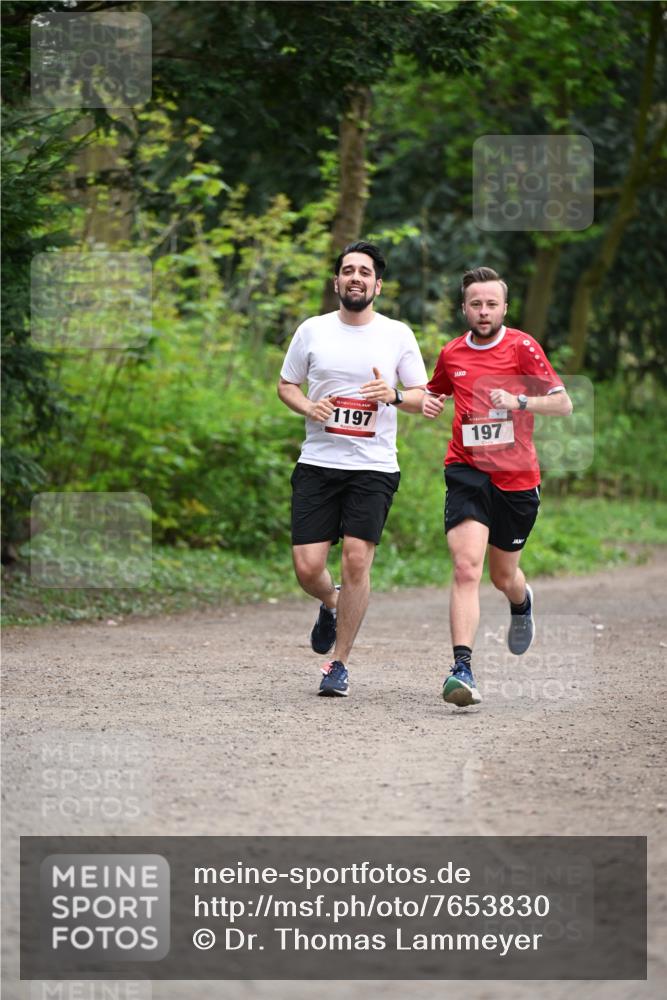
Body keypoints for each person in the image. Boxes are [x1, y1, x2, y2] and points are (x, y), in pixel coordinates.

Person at [278, 241, 428, 697]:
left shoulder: (397, 334)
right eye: (348, 270)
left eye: (365, 272)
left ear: (377, 286)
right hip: (318, 463)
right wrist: (308, 406)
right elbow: (287, 385)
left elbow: (423, 396)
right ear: (337, 282)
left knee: (357, 558)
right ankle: (331, 602)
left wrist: (395, 396)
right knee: (307, 568)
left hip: (373, 468)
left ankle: (338, 664)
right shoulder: (312, 331)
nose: (356, 277)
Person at [423, 266, 573, 707]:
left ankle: (521, 600)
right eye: (475, 304)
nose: (483, 311)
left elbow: (563, 404)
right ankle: (462, 669)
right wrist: (430, 402)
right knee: (466, 567)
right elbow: (436, 392)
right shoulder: (452, 353)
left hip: (516, 478)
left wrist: (519, 400)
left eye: (491, 304)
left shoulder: (523, 346)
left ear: (504, 307)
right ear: (464, 308)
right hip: (467, 471)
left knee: (501, 575)